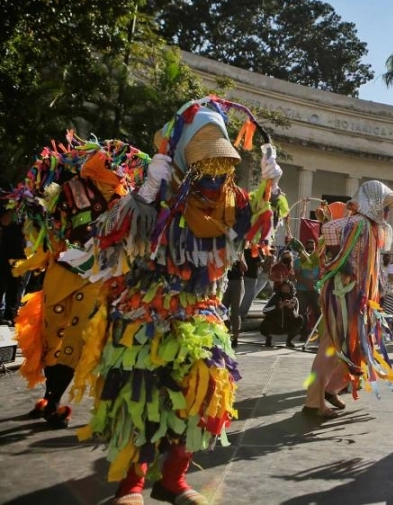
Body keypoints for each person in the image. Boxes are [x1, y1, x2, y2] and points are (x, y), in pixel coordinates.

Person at [70, 97, 286, 505]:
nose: (214, 171)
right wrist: (146, 194)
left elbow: (254, 234)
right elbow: (112, 239)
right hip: (145, 311)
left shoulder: (231, 199)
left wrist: (270, 190)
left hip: (203, 311)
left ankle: (173, 480)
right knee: (141, 395)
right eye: (204, 160)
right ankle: (131, 485)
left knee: (207, 394)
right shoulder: (159, 186)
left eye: (221, 160)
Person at [9, 137, 147, 430]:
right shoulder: (72, 188)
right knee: (51, 332)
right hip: (62, 270)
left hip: (94, 278)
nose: (119, 169)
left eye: (120, 164)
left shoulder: (124, 196)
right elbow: (58, 223)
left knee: (76, 336)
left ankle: (55, 400)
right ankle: (50, 395)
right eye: (112, 163)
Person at [302, 180, 393, 419]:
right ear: (374, 204)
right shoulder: (359, 222)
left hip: (355, 296)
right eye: (384, 205)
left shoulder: (369, 226)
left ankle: (329, 389)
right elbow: (328, 230)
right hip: (343, 295)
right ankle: (313, 401)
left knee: (353, 348)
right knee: (331, 346)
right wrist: (339, 256)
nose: (387, 212)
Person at [260, 279, 304, 348]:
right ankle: (268, 338)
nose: (286, 289)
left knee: (300, 318)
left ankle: (289, 341)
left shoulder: (294, 299)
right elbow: (265, 310)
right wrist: (278, 306)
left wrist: (291, 309)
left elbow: (297, 315)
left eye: (288, 287)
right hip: (275, 324)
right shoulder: (275, 296)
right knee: (264, 324)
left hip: (287, 326)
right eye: (284, 286)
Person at [0, 207, 25, 324]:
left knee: (15, 285)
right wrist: (14, 206)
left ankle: (10, 315)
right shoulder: (7, 197)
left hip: (19, 251)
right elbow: (5, 221)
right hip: (4, 251)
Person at [225, 254, 247, 347]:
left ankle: (235, 338)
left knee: (235, 311)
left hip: (237, 281)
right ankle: (225, 335)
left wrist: (241, 258)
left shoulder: (239, 251)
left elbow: (245, 268)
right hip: (224, 281)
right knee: (222, 309)